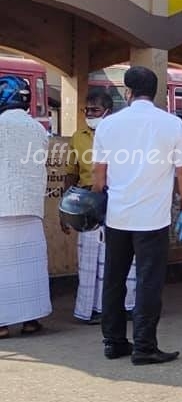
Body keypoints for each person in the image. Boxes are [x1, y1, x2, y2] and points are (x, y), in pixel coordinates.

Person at [92, 66, 182, 365]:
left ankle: (113, 342)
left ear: (127, 92)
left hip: (117, 216)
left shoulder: (108, 125)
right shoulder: (170, 124)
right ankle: (144, 346)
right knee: (148, 280)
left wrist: (100, 203)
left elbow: (99, 174)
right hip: (152, 218)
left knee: (114, 279)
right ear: (155, 93)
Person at [63, 88, 136, 324]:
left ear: (108, 111)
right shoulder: (78, 136)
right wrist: (65, 208)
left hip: (115, 199)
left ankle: (123, 307)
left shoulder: (121, 133)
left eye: (95, 110)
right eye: (87, 110)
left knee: (117, 257)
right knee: (89, 259)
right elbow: (71, 172)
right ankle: (90, 310)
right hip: (87, 203)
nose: (90, 114)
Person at [0, 75, 51, 339]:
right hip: (31, 207)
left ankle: (2, 324)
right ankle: (31, 320)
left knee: (3, 269)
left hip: (2, 206)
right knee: (29, 268)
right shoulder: (38, 129)